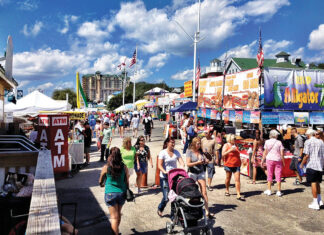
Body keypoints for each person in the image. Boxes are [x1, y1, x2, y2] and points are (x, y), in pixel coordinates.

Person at [99, 147, 129, 235]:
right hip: (121, 192)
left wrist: (102, 184)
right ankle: (116, 231)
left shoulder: (106, 167)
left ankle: (115, 232)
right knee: (118, 214)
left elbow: (100, 181)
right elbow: (127, 180)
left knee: (114, 218)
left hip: (110, 193)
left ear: (110, 155)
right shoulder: (124, 167)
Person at [186, 137, 215, 218]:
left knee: (204, 192)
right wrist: (197, 162)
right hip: (192, 173)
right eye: (198, 143)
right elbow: (188, 164)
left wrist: (206, 161)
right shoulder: (189, 151)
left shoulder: (201, 151)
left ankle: (207, 211)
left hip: (201, 173)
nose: (199, 145)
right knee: (191, 193)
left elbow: (206, 161)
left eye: (200, 143)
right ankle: (190, 209)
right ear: (194, 143)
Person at [157, 137, 185, 217]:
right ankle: (160, 208)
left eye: (174, 142)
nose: (173, 144)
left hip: (174, 177)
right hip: (165, 177)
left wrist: (182, 167)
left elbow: (181, 162)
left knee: (174, 197)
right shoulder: (162, 153)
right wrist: (164, 171)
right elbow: (159, 165)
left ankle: (173, 215)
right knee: (166, 198)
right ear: (167, 143)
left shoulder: (176, 152)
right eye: (171, 142)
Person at [300, 129, 324, 210]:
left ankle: (315, 202)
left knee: (313, 183)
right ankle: (320, 200)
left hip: (312, 164)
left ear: (308, 135)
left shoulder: (308, 142)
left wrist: (302, 164)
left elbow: (306, 155)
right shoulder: (320, 141)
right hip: (320, 165)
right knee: (317, 183)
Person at [262, 130, 285, 197]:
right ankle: (279, 191)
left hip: (269, 159)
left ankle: (269, 190)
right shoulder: (279, 142)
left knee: (269, 174)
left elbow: (265, 152)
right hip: (278, 159)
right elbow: (282, 153)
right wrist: (283, 162)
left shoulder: (267, 142)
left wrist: (262, 160)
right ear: (275, 135)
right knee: (278, 175)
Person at [222, 134, 244, 200]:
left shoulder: (236, 145)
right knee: (228, 178)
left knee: (237, 179)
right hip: (228, 164)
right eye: (233, 139)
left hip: (237, 164)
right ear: (229, 139)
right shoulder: (226, 145)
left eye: (235, 139)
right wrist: (230, 150)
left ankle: (238, 194)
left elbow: (239, 152)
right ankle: (227, 190)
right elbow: (223, 154)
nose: (235, 140)